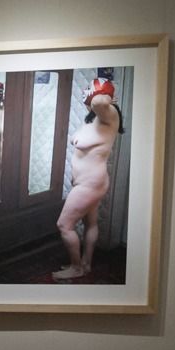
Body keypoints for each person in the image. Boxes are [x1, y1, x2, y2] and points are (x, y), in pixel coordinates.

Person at [53, 78, 124, 280]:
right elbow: (96, 105)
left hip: (91, 184)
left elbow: (99, 102)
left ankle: (76, 268)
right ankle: (86, 264)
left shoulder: (110, 115)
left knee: (64, 225)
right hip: (89, 183)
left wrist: (104, 96)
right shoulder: (94, 120)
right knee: (90, 223)